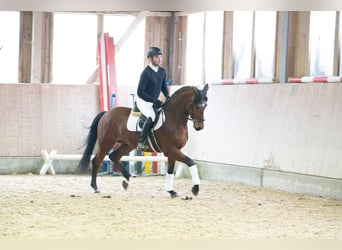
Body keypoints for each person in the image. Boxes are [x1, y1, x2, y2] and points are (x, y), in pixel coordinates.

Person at [136, 46, 170, 150]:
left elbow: (164, 87)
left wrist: (168, 96)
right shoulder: (146, 73)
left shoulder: (162, 71)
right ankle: (141, 142)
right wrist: (153, 100)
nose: (159, 59)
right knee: (152, 115)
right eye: (156, 57)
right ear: (150, 58)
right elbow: (140, 92)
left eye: (160, 56)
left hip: (154, 101)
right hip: (143, 101)